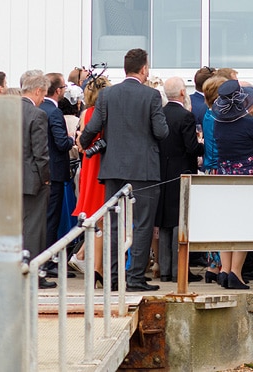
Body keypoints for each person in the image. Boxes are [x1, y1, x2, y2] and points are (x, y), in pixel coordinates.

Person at [78, 48, 169, 292]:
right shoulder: (151, 96)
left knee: (114, 223)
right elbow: (161, 132)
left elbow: (94, 126)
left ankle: (113, 277)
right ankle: (136, 278)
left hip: (113, 168)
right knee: (142, 224)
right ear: (144, 69)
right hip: (144, 170)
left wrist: (83, 142)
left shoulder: (108, 95)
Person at [209, 78, 253, 289]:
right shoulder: (248, 122)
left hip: (224, 176)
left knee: (227, 223)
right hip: (246, 177)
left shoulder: (218, 122)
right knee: (244, 224)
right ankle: (235, 273)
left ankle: (224, 270)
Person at [156, 77, 203, 283]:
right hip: (181, 171)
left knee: (164, 220)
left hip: (161, 171)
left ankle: (165, 269)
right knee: (179, 221)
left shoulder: (160, 114)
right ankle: (179, 270)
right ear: (183, 93)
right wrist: (204, 147)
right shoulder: (186, 116)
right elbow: (191, 147)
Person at [72, 73, 110, 286]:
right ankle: (97, 267)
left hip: (88, 163)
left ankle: (95, 264)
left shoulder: (86, 113)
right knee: (102, 220)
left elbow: (81, 140)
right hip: (101, 163)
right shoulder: (105, 114)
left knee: (95, 218)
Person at [19, 70, 54, 288]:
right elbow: (41, 153)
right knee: (34, 227)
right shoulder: (37, 115)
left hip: (8, 178)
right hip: (32, 180)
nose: (43, 100)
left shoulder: (6, 110)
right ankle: (34, 273)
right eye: (43, 95)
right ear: (38, 91)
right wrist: (46, 178)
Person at [41, 72, 76, 261]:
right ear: (57, 90)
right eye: (63, 87)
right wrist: (71, 139)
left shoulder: (39, 108)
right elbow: (61, 143)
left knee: (45, 217)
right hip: (55, 171)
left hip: (42, 171)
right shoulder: (54, 112)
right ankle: (48, 260)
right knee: (52, 218)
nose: (64, 91)